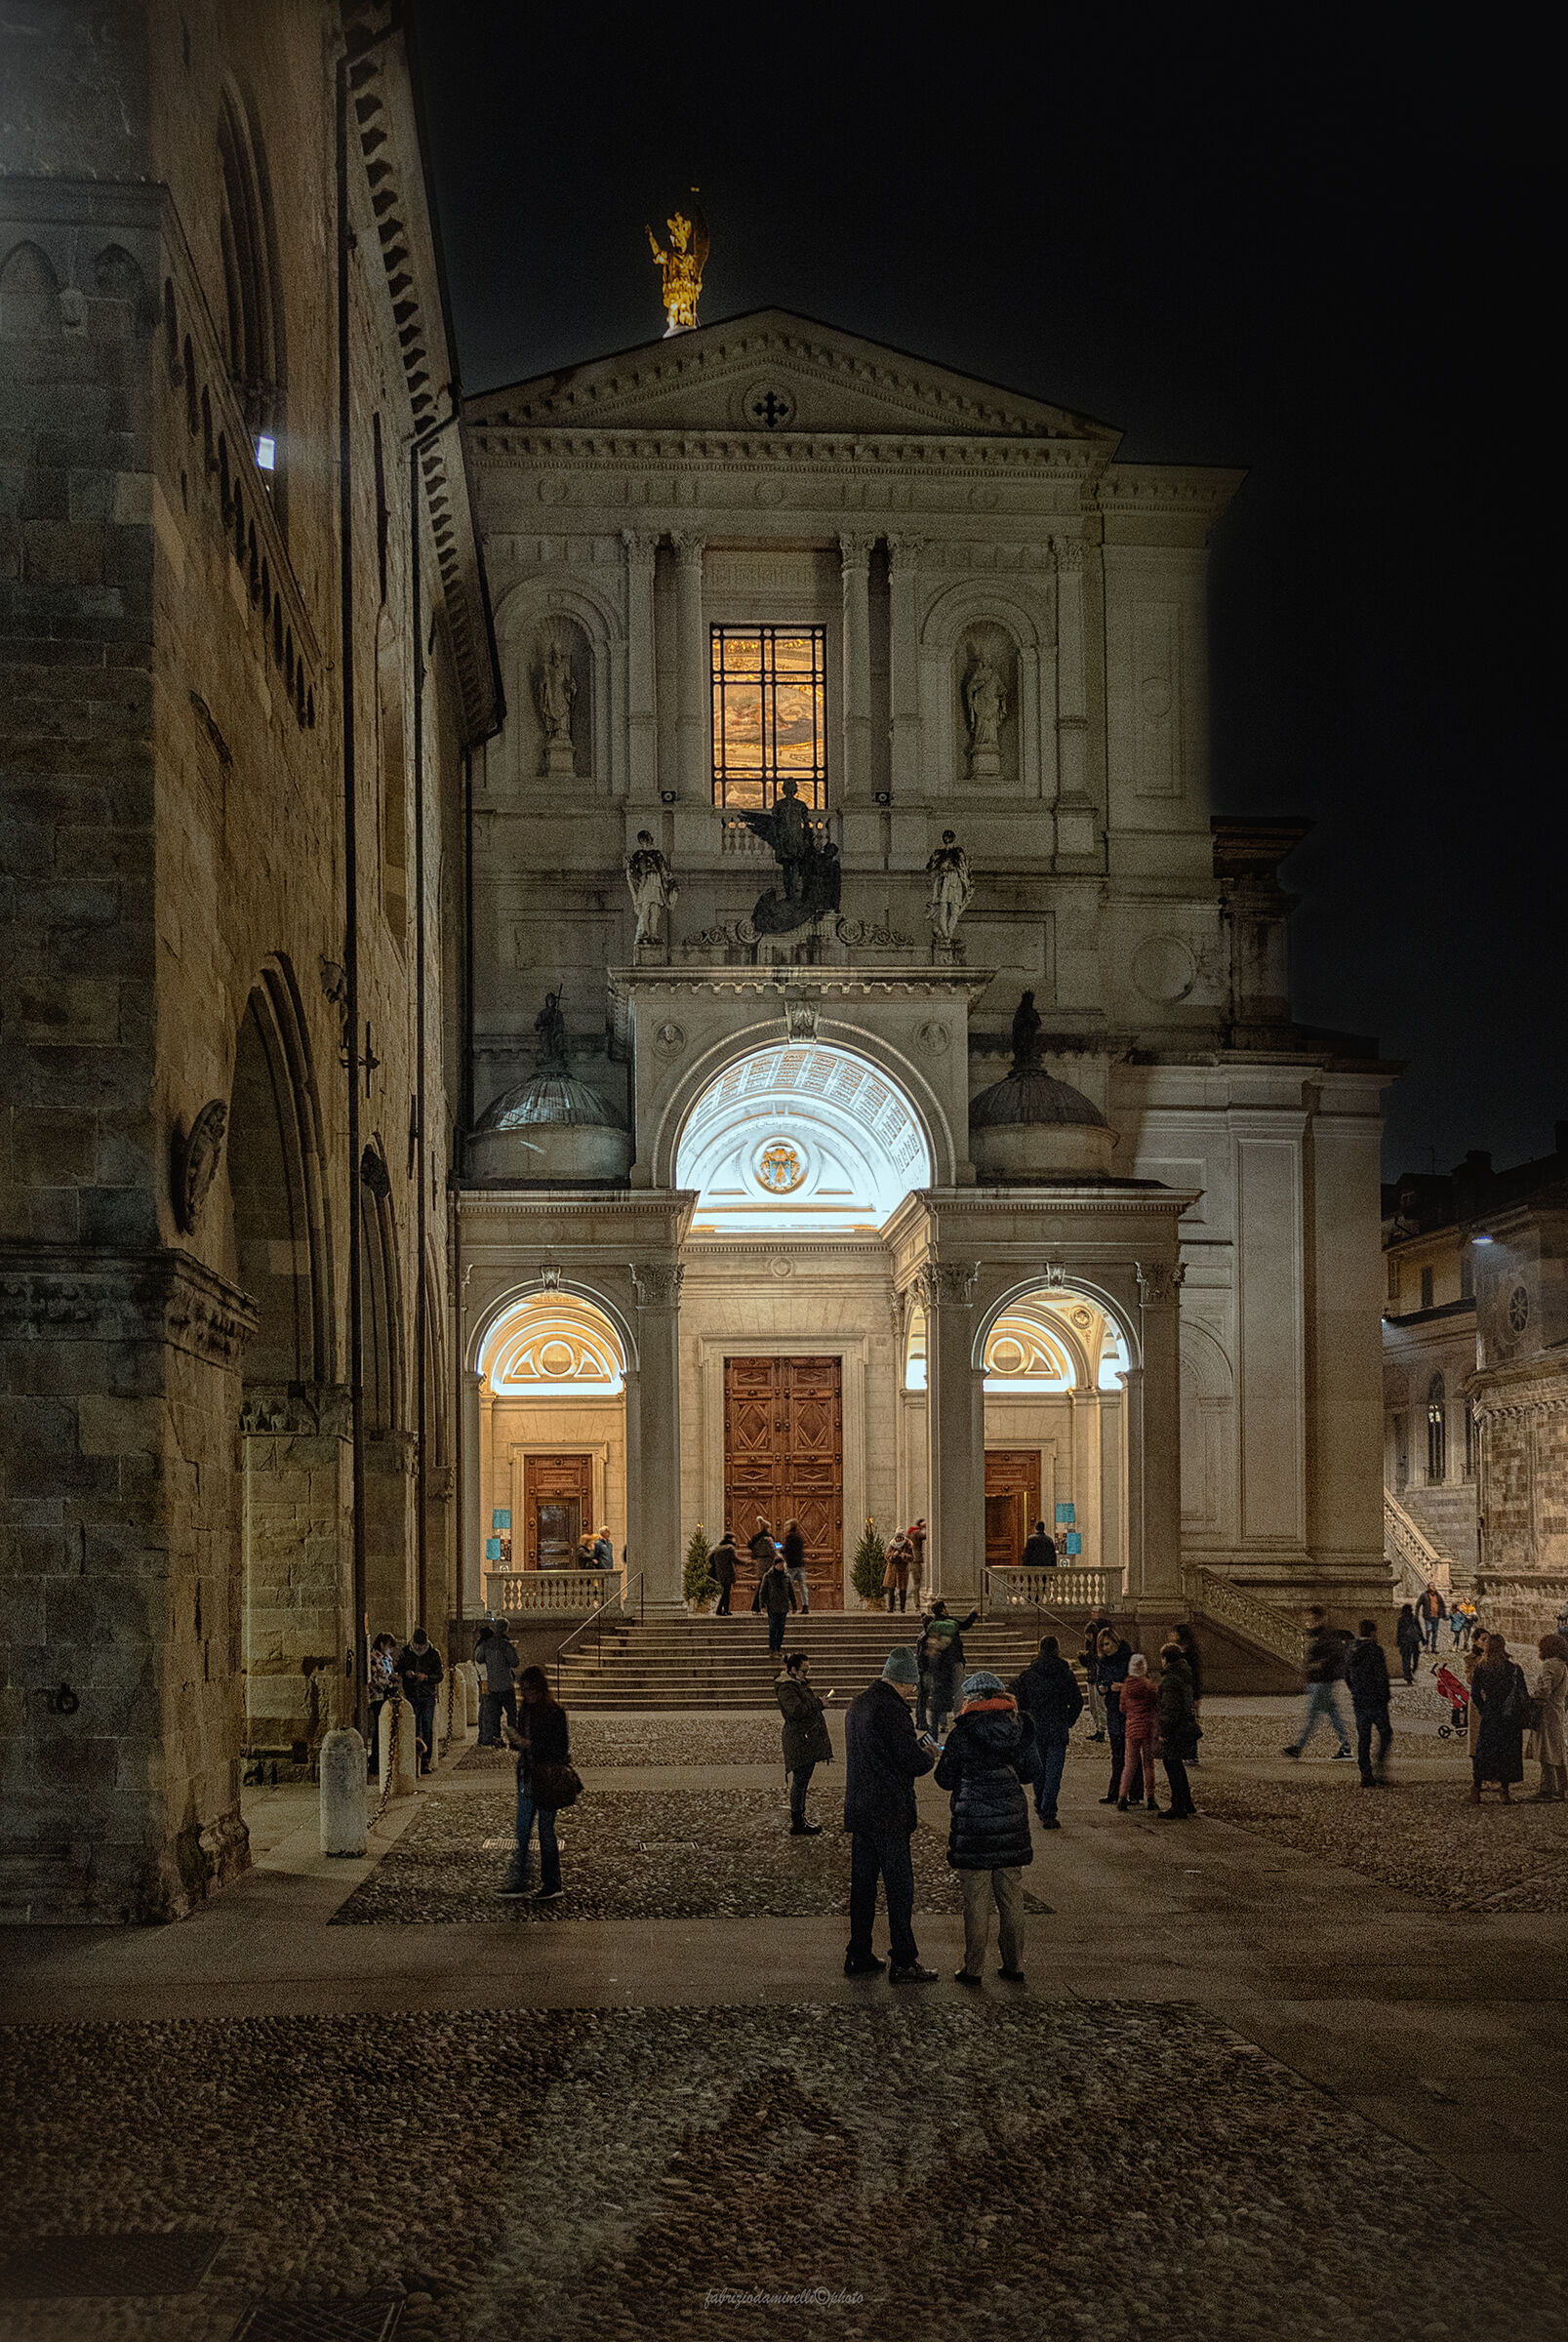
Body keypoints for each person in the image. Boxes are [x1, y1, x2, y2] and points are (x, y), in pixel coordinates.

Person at [936, 1670, 1041, 1985]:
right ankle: (1015, 1964)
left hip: (974, 1825)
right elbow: (1031, 1772)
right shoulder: (1019, 1726)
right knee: (1011, 1897)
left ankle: (973, 1968)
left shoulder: (963, 1732)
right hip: (1010, 1821)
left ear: (972, 1699)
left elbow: (943, 1779)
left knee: (976, 1900)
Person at [842, 1648, 938, 1981]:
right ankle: (903, 1960)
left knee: (863, 1886)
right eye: (912, 1685)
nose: (913, 1691)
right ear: (904, 1681)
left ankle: (858, 1952)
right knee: (899, 1887)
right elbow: (910, 1761)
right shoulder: (893, 1711)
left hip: (860, 1807)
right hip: (888, 1810)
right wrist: (928, 1754)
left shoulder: (858, 1705)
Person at [496, 1665, 571, 1900]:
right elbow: (522, 1739)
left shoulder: (555, 1713)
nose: (526, 1694)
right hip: (526, 1777)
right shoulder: (525, 1710)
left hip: (547, 1778)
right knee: (522, 1831)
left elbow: (560, 1750)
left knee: (546, 1831)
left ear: (540, 1688)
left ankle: (552, 1883)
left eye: (529, 1689)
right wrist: (515, 1740)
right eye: (523, 1689)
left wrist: (530, 1744)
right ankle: (520, 1880)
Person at [1011, 1633, 1082, 1828]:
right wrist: (1069, 1720)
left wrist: (1025, 1718)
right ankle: (1048, 1809)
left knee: (1039, 1769)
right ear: (1057, 1650)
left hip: (1036, 1726)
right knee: (1054, 1772)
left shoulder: (1029, 1674)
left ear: (1040, 1650)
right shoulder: (1065, 1673)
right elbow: (1077, 1701)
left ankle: (1040, 1803)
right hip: (1058, 1726)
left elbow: (1018, 1697)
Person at [1283, 1606, 1352, 1761]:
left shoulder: (1326, 1636)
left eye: (1311, 1620)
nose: (1308, 1623)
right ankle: (1346, 1746)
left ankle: (1298, 1747)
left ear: (1319, 1619)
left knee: (1313, 1716)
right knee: (1333, 1715)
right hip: (1319, 1682)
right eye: (1307, 1620)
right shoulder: (1317, 1636)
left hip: (1322, 1682)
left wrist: (1318, 1666)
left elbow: (1334, 1656)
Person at [776, 1651, 832, 1834]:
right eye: (804, 1671)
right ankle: (798, 1821)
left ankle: (800, 1819)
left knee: (802, 1780)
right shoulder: (787, 1687)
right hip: (799, 1739)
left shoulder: (797, 1684)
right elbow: (796, 1711)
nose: (806, 1675)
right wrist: (818, 1703)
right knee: (800, 1781)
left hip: (805, 1739)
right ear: (793, 1670)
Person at [1470, 1633, 1528, 1803]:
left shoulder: (1482, 1668)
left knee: (1485, 1751)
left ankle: (1476, 1788)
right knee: (1507, 1752)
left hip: (1491, 1714)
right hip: (1510, 1716)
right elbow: (1522, 1693)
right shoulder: (1513, 1669)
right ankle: (1504, 1790)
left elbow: (1475, 1694)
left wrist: (1484, 1709)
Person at [918, 1599, 980, 1739]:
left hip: (939, 1665)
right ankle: (956, 1715)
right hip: (954, 1661)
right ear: (942, 1609)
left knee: (939, 1693)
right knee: (958, 1688)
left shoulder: (933, 1626)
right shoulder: (949, 1623)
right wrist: (973, 1614)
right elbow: (965, 1625)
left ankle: (941, 1723)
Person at [1344, 1618, 1393, 1787]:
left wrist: (1355, 1690)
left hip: (1359, 1699)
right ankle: (1379, 1763)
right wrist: (1385, 1695)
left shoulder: (1351, 1650)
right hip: (1376, 1700)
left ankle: (1365, 1772)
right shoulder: (1375, 1650)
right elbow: (1381, 1676)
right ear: (1373, 1632)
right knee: (1385, 1733)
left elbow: (1346, 1675)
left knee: (1364, 1738)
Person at [1155, 1643, 1199, 1819]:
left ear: (1165, 1658)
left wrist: (1163, 1731)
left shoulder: (1171, 1680)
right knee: (1178, 1766)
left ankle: (1178, 1805)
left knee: (1172, 1765)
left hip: (1174, 1729)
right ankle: (1186, 1802)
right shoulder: (1184, 1674)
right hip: (1183, 1725)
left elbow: (1170, 1709)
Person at [395, 1627, 444, 1774]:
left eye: (421, 1646)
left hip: (427, 1695)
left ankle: (425, 1761)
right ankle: (413, 1759)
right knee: (413, 1728)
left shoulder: (433, 1654)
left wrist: (427, 1677)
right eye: (416, 1646)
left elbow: (439, 1675)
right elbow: (398, 1669)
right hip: (411, 1694)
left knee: (427, 1728)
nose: (418, 1649)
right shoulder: (406, 1653)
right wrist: (406, 1673)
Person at [1526, 1633, 1568, 1801]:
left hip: (1546, 1711)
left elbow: (1545, 1689)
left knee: (1546, 1750)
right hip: (1557, 1709)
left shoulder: (1549, 1665)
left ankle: (1548, 1788)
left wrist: (1531, 1697)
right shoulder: (1563, 1665)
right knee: (1557, 1747)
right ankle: (1561, 1786)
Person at [1116, 1653, 1161, 1811]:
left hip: (1131, 1727)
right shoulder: (1149, 1687)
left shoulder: (1126, 1687)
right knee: (1148, 1764)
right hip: (1147, 1727)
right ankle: (1150, 1797)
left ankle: (1122, 1796)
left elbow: (1122, 1708)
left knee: (1129, 1764)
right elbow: (1155, 1704)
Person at [1094, 1626, 1132, 1804]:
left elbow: (1136, 1681)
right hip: (1112, 1706)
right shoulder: (1103, 1662)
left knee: (1130, 1753)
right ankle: (1114, 1791)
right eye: (1102, 1645)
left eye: (1107, 1644)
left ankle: (1133, 1792)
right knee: (1117, 1751)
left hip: (1127, 1708)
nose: (1105, 1648)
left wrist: (1122, 1686)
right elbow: (1100, 1680)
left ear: (1115, 1642)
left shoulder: (1127, 1658)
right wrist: (1104, 1687)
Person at [477, 1617, 519, 1748]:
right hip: (506, 1684)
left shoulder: (487, 1644)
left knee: (495, 1714)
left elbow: (479, 1658)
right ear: (506, 1629)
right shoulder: (506, 1645)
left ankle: (497, 1738)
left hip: (493, 1685)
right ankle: (513, 1739)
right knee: (512, 1714)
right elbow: (515, 1662)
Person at [752, 1552, 798, 1654]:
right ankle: (772, 1648)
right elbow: (763, 1591)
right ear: (776, 1565)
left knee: (781, 1629)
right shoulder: (768, 1576)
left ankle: (778, 1648)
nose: (782, 1566)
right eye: (780, 1564)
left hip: (783, 1606)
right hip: (772, 1606)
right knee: (773, 1628)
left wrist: (794, 1605)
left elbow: (791, 1591)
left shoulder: (786, 1577)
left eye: (783, 1564)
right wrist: (762, 1605)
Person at [1080, 1605, 1111, 1740]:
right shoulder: (1089, 1644)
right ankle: (1098, 1727)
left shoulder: (1103, 1639)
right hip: (1091, 1675)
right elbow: (1087, 1662)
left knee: (1100, 1705)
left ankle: (1102, 1730)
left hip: (1100, 1676)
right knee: (1093, 1705)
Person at [368, 1633, 397, 1772]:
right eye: (389, 1646)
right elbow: (374, 1679)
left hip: (388, 1695)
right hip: (378, 1697)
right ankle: (375, 1760)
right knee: (379, 1729)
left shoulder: (387, 1658)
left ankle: (385, 1756)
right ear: (381, 1644)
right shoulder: (373, 1658)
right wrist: (389, 1680)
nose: (390, 1650)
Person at [782, 1516, 810, 1615]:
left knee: (787, 1586)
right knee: (803, 1586)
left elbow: (787, 1550)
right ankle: (805, 1605)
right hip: (800, 1565)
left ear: (791, 1526)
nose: (784, 1527)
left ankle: (789, 1606)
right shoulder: (800, 1536)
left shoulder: (790, 1537)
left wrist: (778, 1548)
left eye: (786, 1525)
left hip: (791, 1565)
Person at [882, 1531, 911, 1614]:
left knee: (902, 1590)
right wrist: (893, 1555)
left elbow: (911, 1557)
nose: (899, 1539)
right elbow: (886, 1556)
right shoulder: (892, 1545)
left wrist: (904, 1555)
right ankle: (891, 1607)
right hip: (892, 1570)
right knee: (891, 1590)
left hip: (902, 1571)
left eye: (900, 1538)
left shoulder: (907, 1546)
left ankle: (902, 1608)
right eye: (897, 1537)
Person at [1394, 1602, 1423, 1687]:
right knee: (1413, 1658)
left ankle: (1409, 1675)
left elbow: (1399, 1631)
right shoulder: (1411, 1618)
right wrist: (1422, 1638)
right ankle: (1411, 1673)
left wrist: (1398, 1641)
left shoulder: (1404, 1619)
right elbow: (1419, 1629)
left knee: (1407, 1659)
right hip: (1412, 1640)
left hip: (1408, 1641)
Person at [711, 1532, 739, 1617]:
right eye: (734, 1538)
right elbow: (736, 1560)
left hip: (720, 1573)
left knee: (726, 1591)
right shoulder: (730, 1548)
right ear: (730, 1539)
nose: (735, 1540)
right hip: (728, 1573)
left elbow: (710, 1559)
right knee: (726, 1592)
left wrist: (719, 1565)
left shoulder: (718, 1547)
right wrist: (747, 1562)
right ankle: (719, 1610)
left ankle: (726, 1610)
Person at [1417, 1581, 1447, 1656]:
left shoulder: (1438, 1595)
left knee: (1435, 1632)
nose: (1433, 1587)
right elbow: (1418, 1604)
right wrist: (1416, 1613)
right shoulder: (1424, 1595)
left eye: (1434, 1586)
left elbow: (1442, 1605)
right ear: (1428, 1587)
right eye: (1431, 1586)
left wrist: (1444, 1614)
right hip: (1428, 1616)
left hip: (1436, 1616)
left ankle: (1433, 1647)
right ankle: (1427, 1646)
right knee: (1428, 1630)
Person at [749, 1517, 778, 1588]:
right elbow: (772, 1551)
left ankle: (759, 1598)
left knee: (762, 1583)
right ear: (766, 1528)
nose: (771, 1529)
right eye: (769, 1528)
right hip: (768, 1563)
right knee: (768, 1584)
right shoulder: (768, 1539)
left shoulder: (756, 1539)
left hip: (759, 1563)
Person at [906, 1519, 926, 1609]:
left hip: (912, 1560)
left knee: (916, 1583)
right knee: (917, 1583)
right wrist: (927, 1525)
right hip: (916, 1560)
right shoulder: (916, 1532)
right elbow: (925, 1535)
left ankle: (916, 1602)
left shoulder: (911, 1532)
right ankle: (917, 1603)